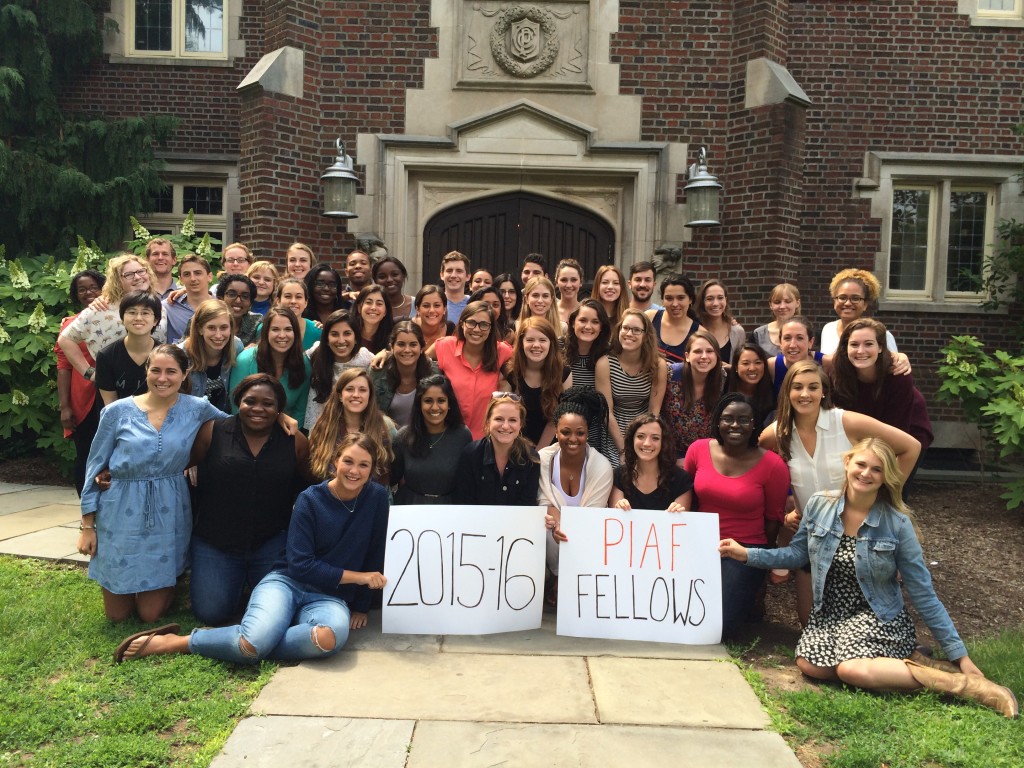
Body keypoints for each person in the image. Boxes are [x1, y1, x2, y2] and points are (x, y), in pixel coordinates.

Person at [719, 438, 1018, 719]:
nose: (866, 473)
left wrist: (960, 656)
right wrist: (747, 554)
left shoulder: (897, 524)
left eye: (877, 469)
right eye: (861, 464)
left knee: (852, 671)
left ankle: (965, 685)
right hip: (831, 616)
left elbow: (923, 594)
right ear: (848, 462)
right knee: (810, 665)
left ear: (886, 477)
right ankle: (909, 661)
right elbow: (797, 555)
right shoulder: (820, 505)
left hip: (878, 616)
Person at [116, 433, 390, 665]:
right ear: (334, 463)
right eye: (348, 462)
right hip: (288, 582)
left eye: (363, 465)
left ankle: (251, 638)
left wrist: (362, 606)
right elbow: (301, 565)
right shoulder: (310, 500)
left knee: (328, 639)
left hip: (330, 596)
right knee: (250, 645)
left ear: (372, 470)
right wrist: (360, 578)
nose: (354, 471)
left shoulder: (376, 498)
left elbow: (374, 550)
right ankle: (178, 642)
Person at [760, 360, 922, 625]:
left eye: (813, 387)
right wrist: (786, 512)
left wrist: (881, 499)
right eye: (797, 387)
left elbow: (910, 447)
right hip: (813, 536)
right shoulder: (778, 433)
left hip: (856, 534)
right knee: (809, 623)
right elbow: (762, 470)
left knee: (859, 621)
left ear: (824, 391)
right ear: (787, 392)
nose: (805, 394)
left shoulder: (846, 422)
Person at [77, 345, 228, 622]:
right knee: (117, 616)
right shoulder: (117, 412)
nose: (162, 378)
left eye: (171, 371)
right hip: (120, 506)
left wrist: (280, 417)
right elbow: (94, 466)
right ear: (146, 371)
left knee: (150, 615)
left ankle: (169, 583)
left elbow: (239, 427)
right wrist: (88, 526)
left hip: (169, 507)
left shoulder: (197, 408)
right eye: (155, 370)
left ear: (185, 375)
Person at [188, 374, 313, 624]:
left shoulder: (294, 440)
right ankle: (235, 584)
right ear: (238, 402)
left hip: (271, 541)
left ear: (279, 409)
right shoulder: (212, 432)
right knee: (212, 613)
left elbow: (308, 484)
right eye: (250, 401)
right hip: (216, 541)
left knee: (278, 612)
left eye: (268, 403)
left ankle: (251, 584)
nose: (258, 408)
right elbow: (184, 467)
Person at [684, 393, 790, 638]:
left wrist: (761, 564)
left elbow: (773, 520)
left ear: (754, 424)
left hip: (744, 549)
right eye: (728, 419)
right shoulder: (698, 450)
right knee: (683, 611)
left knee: (720, 626)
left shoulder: (773, 465)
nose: (735, 425)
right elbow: (687, 495)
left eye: (744, 420)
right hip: (700, 543)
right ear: (717, 422)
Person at [831, 318, 933, 486]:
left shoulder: (898, 374)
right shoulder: (838, 375)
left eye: (869, 344)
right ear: (845, 348)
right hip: (865, 435)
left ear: (880, 347)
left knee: (889, 492)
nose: (861, 351)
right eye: (854, 344)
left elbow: (897, 429)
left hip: (907, 434)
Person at [541, 388, 615, 603]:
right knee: (545, 528)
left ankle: (572, 581)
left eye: (580, 433)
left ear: (588, 433)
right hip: (554, 532)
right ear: (556, 431)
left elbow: (591, 518)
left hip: (588, 533)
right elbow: (544, 502)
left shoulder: (600, 466)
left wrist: (564, 528)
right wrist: (557, 525)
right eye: (566, 432)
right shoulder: (543, 460)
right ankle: (556, 577)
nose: (573, 439)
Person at [57, 253, 167, 380]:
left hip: (154, 382)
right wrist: (89, 373)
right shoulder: (101, 308)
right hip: (114, 386)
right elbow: (65, 340)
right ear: (117, 281)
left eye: (141, 271)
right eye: (129, 275)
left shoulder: (159, 305)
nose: (137, 277)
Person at [56, 269, 105, 495]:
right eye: (82, 290)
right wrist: (65, 407)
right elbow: (64, 367)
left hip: (113, 395)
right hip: (83, 398)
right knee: (85, 456)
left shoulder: (118, 317)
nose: (89, 293)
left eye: (94, 287)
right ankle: (87, 514)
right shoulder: (70, 325)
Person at [596, 308, 667, 465]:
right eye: (625, 328)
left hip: (645, 425)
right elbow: (607, 412)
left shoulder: (658, 365)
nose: (629, 334)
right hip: (614, 427)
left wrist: (643, 439)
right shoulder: (605, 364)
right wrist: (623, 449)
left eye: (636, 330)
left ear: (645, 335)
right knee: (618, 469)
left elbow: (653, 411)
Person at [434, 301, 514, 439]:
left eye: (484, 325)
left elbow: (526, 360)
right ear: (462, 324)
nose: (476, 329)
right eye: (471, 323)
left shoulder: (502, 351)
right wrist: (387, 353)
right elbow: (416, 356)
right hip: (449, 437)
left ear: (491, 328)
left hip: (485, 440)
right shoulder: (445, 346)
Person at [391, 374, 473, 504]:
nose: (435, 407)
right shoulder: (403, 436)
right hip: (410, 509)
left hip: (451, 510)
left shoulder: (463, 435)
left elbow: (468, 480)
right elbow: (390, 479)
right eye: (428, 401)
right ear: (419, 404)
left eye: (441, 400)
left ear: (449, 404)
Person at [307, 368, 396, 484]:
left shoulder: (385, 426)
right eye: (349, 389)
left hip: (375, 498)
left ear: (369, 396)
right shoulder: (322, 428)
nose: (356, 395)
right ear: (340, 395)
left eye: (363, 390)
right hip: (332, 498)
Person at [453, 392, 540, 505]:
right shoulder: (471, 454)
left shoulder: (531, 458)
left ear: (521, 424)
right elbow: (463, 502)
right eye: (499, 419)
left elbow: (528, 505)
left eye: (512, 420)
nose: (505, 426)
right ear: (488, 422)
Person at [231, 307, 312, 421]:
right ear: (266, 332)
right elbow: (236, 408)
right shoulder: (244, 361)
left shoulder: (304, 365)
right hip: (246, 428)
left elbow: (300, 411)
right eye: (275, 329)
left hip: (286, 432)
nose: (282, 335)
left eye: (288, 329)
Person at [661, 328, 725, 461]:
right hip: (669, 453)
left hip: (706, 454)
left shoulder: (722, 378)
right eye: (697, 351)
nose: (704, 356)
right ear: (687, 356)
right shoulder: (670, 375)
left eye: (709, 351)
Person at [304, 309, 374, 429]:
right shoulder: (315, 353)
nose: (341, 340)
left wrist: (386, 353)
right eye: (334, 334)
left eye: (347, 333)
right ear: (326, 339)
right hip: (321, 427)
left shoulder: (365, 358)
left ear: (356, 337)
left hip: (357, 427)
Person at [506, 316, 570, 447]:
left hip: (551, 447)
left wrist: (539, 454)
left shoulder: (564, 373)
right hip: (515, 445)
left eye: (542, 340)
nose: (536, 345)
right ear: (521, 342)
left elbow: (558, 419)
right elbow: (506, 417)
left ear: (550, 343)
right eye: (530, 340)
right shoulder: (510, 373)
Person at [610, 413, 693, 511]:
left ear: (664, 443)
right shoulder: (618, 476)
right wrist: (618, 507)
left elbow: (680, 523)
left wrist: (678, 513)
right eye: (640, 436)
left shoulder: (681, 480)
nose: (647, 443)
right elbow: (615, 520)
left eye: (655, 438)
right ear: (632, 440)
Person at [95, 291, 161, 405]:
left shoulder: (166, 355)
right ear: (122, 318)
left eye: (145, 313)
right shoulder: (106, 356)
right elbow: (110, 404)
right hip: (118, 419)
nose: (138, 318)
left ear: (155, 320)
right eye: (132, 312)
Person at [371, 321, 437, 429]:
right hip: (387, 439)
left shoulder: (434, 373)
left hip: (424, 440)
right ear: (391, 347)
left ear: (421, 348)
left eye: (413, 344)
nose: (407, 350)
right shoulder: (378, 371)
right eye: (401, 344)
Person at [180, 299, 242, 413]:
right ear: (200, 329)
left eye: (224, 327)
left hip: (222, 420)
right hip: (189, 420)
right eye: (211, 328)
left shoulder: (236, 347)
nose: (218, 335)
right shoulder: (181, 355)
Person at [820, 268, 897, 355]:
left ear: (865, 304)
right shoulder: (828, 329)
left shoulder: (883, 335)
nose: (848, 303)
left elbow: (895, 365)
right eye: (842, 297)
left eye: (855, 298)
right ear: (834, 301)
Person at [646, 274, 700, 363]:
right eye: (669, 298)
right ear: (663, 299)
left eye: (680, 298)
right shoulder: (649, 318)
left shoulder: (699, 332)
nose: (675, 304)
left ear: (690, 299)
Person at [163, 254, 212, 343]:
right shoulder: (167, 307)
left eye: (198, 273)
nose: (193, 278)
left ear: (209, 276)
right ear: (181, 279)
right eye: (187, 274)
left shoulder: (221, 306)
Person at [725, 343, 775, 429]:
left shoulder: (772, 393)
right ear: (736, 367)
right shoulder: (724, 387)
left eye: (758, 362)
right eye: (745, 363)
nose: (752, 368)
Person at [696, 279, 746, 365]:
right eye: (709, 299)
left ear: (726, 300)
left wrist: (730, 368)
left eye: (720, 298)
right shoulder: (694, 330)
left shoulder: (737, 332)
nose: (715, 303)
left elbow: (741, 365)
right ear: (702, 302)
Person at [268, 277, 322, 351]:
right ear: (278, 301)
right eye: (288, 296)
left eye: (298, 297)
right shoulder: (265, 328)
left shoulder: (317, 331)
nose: (293, 301)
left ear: (306, 302)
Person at [751, 282, 801, 357]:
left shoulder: (807, 331)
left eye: (788, 301)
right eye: (777, 302)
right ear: (771, 305)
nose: (782, 306)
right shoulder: (758, 334)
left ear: (797, 303)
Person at [214, 273, 262, 346]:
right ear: (220, 298)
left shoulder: (257, 322)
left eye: (245, 296)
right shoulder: (205, 320)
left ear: (250, 303)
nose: (238, 301)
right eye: (232, 294)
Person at [351, 284, 394, 355]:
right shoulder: (348, 334)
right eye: (368, 302)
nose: (373, 307)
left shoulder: (392, 338)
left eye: (379, 304)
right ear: (359, 308)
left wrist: (388, 354)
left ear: (385, 311)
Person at [411, 284, 456, 350]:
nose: (431, 310)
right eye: (426, 306)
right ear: (417, 309)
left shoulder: (450, 329)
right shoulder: (406, 327)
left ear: (444, 309)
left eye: (437, 305)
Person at [373, 256, 415, 321]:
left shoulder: (417, 304)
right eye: (382, 277)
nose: (389, 280)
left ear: (403, 276)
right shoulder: (371, 308)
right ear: (375, 281)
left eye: (395, 274)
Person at [440, 250, 471, 323]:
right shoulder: (434, 304)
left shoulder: (474, 303)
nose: (453, 275)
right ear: (442, 275)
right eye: (449, 270)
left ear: (468, 276)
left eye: (459, 271)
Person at [555, 257, 584, 327]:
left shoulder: (586, 311)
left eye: (573, 280)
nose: (568, 285)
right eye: (564, 280)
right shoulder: (549, 310)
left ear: (581, 282)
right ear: (556, 282)